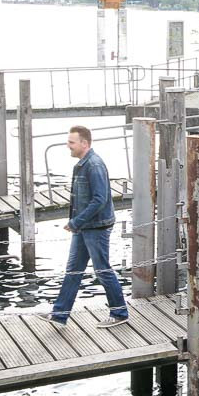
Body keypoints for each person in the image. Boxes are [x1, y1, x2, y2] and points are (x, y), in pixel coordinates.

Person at [50, 126, 126, 328]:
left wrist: (76, 221)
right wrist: (77, 223)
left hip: (96, 227)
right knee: (73, 270)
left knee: (102, 270)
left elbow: (100, 200)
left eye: (71, 142)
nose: (68, 146)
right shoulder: (82, 164)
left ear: (84, 143)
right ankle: (59, 314)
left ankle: (119, 312)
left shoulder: (94, 165)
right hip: (84, 227)